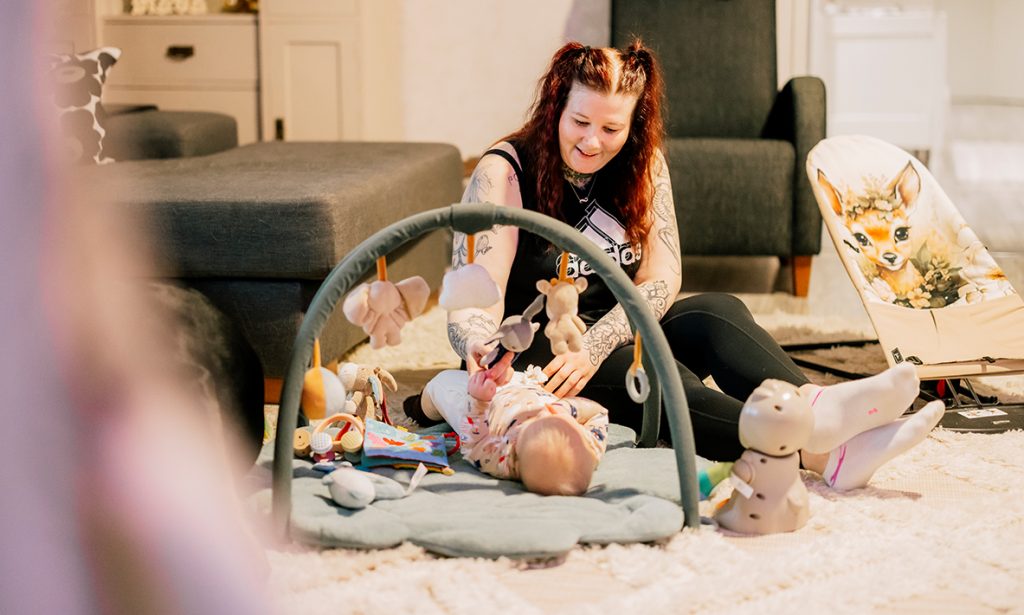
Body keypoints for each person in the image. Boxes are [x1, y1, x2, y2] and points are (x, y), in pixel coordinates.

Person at [405, 40, 942, 491]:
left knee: (716, 312)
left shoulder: (644, 163)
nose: (593, 141)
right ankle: (822, 454)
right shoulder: (504, 173)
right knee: (664, 375)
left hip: (614, 331)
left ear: (635, 124)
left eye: (611, 129)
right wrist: (476, 345)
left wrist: (600, 341)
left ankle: (816, 405)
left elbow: (663, 277)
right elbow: (477, 293)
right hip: (542, 352)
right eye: (580, 121)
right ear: (555, 108)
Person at [422, 352, 610, 496]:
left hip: (489, 400)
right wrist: (568, 409)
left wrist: (478, 400)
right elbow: (599, 413)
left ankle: (420, 408)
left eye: (529, 424)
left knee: (441, 383)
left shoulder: (500, 461)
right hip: (530, 383)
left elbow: (474, 443)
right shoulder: (590, 447)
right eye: (551, 417)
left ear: (517, 454)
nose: (534, 415)